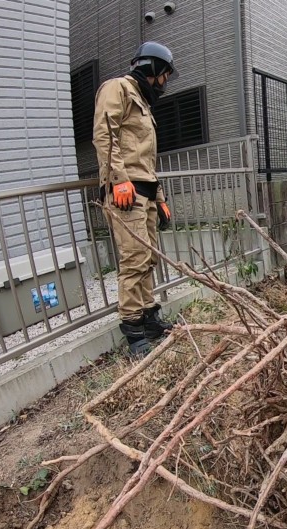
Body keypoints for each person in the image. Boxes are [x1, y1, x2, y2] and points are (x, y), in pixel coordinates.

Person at [92, 42, 177, 355]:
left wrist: (161, 198)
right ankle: (132, 328)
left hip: (146, 191)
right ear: (152, 68)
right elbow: (105, 134)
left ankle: (148, 315)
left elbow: (147, 160)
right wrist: (117, 180)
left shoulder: (144, 102)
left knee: (148, 257)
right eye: (164, 75)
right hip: (125, 192)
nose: (165, 82)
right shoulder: (118, 88)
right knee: (133, 260)